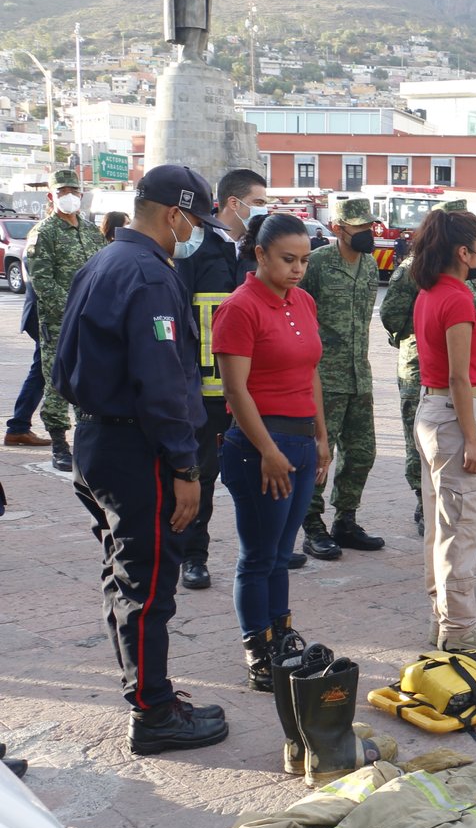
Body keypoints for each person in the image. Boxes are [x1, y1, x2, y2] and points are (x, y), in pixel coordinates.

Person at [51, 163, 228, 754]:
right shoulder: (149, 275)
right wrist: (184, 467)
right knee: (148, 585)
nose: (194, 234)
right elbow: (162, 384)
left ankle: (149, 692)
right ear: (175, 214)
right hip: (138, 448)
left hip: (99, 437)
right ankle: (153, 713)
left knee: (125, 575)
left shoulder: (104, 260)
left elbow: (56, 352)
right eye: (194, 222)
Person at [212, 213, 328, 689]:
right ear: (260, 255)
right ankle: (257, 649)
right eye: (288, 259)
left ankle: (281, 635)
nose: (298, 269)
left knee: (282, 553)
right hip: (260, 447)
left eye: (304, 260)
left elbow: (311, 372)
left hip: (300, 441)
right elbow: (235, 390)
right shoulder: (239, 308)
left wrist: (322, 437)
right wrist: (267, 449)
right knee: (258, 555)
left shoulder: (303, 301)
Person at [175, 166, 267, 591]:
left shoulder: (255, 254)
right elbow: (181, 321)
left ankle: (267, 549)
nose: (263, 209)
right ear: (234, 202)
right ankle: (193, 556)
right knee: (203, 476)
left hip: (250, 390)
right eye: (258, 202)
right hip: (205, 392)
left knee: (259, 472)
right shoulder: (194, 251)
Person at [411, 207, 476, 648]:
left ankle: (442, 619)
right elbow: (460, 377)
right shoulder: (458, 298)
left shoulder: (429, 292)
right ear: (464, 252)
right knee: (460, 529)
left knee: (439, 526)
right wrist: (472, 438)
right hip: (454, 414)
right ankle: (460, 628)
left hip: (432, 410)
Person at [380, 200, 476, 539]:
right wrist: (426, 340)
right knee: (457, 526)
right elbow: (392, 315)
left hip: (441, 390)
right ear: (462, 251)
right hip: (434, 384)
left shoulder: (442, 286)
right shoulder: (442, 289)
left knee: (445, 522)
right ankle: (422, 504)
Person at [298, 197, 384, 560]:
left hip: (359, 375)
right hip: (323, 377)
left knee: (362, 452)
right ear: (338, 228)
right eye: (359, 227)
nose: (367, 233)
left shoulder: (369, 265)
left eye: (369, 226)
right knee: (320, 453)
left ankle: (345, 520)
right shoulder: (317, 263)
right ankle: (311, 524)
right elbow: (297, 310)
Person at [26, 168, 107, 471]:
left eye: (73, 191)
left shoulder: (90, 231)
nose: (69, 196)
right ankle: (59, 444)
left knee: (89, 378)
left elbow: (103, 270)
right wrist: (74, 309)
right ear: (52, 196)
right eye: (63, 192)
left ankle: (88, 439)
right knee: (58, 382)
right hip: (60, 322)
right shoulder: (44, 233)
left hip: (91, 321)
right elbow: (43, 282)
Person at [3, 268, 49, 448]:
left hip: (52, 316)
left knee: (42, 371)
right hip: (47, 317)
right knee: (44, 370)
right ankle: (18, 428)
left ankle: (18, 427)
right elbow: (43, 282)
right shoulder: (38, 248)